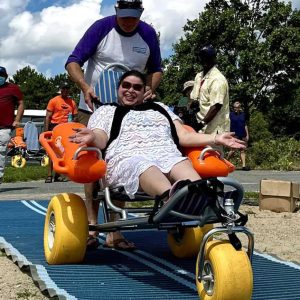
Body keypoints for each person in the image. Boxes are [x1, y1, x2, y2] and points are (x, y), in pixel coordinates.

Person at [69, 70, 246, 250]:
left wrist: (216, 139)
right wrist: (91, 136)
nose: (131, 90)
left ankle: (201, 198)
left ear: (144, 90)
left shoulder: (160, 109)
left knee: (180, 163)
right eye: (126, 86)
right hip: (128, 158)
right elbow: (101, 136)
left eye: (137, 87)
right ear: (118, 89)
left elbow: (183, 135)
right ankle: (171, 200)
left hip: (166, 154)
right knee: (145, 165)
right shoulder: (107, 111)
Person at [65, 0, 163, 250]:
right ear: (116, 10)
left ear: (140, 13)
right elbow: (73, 62)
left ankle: (115, 232)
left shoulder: (148, 33)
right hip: (94, 108)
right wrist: (85, 87)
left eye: (134, 16)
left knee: (124, 161)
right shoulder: (101, 28)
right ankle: (90, 226)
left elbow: (156, 69)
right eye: (124, 16)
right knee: (92, 166)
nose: (128, 21)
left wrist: (151, 88)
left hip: (129, 110)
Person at [190, 44, 230, 153]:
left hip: (214, 129)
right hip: (199, 128)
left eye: (207, 58)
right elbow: (193, 98)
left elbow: (216, 106)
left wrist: (202, 123)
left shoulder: (218, 79)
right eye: (202, 58)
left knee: (213, 159)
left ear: (214, 58)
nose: (204, 61)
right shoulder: (199, 76)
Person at [44, 82, 78, 183]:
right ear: (60, 90)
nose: (65, 91)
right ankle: (49, 175)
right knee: (52, 152)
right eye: (64, 89)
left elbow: (75, 116)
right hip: (55, 127)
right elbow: (48, 117)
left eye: (67, 89)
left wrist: (74, 123)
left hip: (66, 128)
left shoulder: (72, 102)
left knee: (63, 152)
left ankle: (58, 175)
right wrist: (46, 131)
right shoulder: (54, 101)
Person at [0, 66, 24, 185]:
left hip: (4, 127)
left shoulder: (12, 88)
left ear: (5, 77)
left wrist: (17, 120)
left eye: (2, 76)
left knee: (0, 152)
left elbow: (21, 103)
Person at [227, 101, 250, 171]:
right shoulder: (230, 115)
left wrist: (247, 135)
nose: (236, 108)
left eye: (237, 107)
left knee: (242, 150)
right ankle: (226, 161)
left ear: (240, 107)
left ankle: (244, 166)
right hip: (234, 134)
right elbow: (227, 124)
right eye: (235, 107)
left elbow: (245, 125)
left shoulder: (243, 114)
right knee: (233, 150)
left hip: (242, 134)